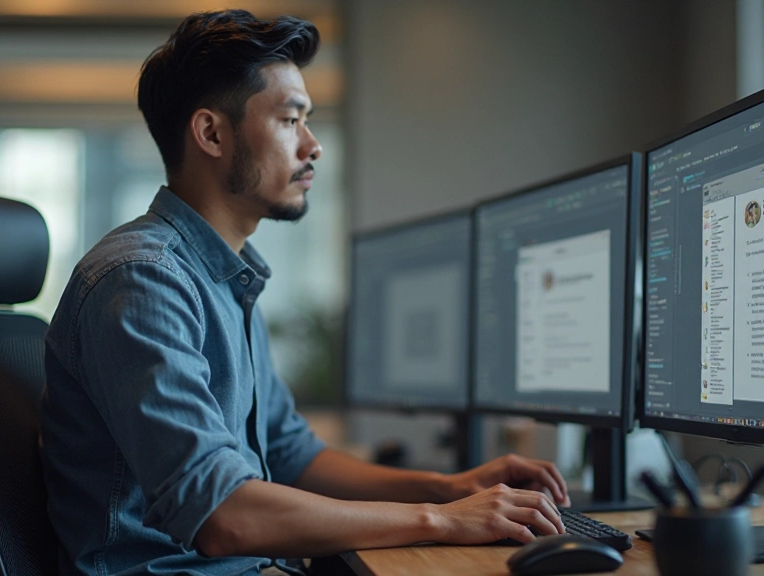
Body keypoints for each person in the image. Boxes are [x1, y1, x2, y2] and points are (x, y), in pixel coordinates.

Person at [39, 10, 569, 576]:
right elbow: (226, 516)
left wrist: (449, 489)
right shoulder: (142, 281)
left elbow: (291, 454)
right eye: (291, 121)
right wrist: (441, 519)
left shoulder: (224, 277)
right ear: (212, 133)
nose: (313, 146)